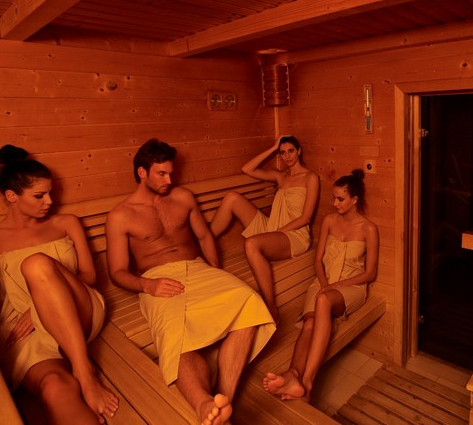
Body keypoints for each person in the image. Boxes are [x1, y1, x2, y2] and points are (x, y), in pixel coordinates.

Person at [105, 138, 276, 425]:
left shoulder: (183, 198)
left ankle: (223, 400)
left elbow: (204, 237)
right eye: (161, 174)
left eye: (170, 173)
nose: (169, 180)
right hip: (157, 279)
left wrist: (216, 271)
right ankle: (202, 404)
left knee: (248, 301)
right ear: (142, 173)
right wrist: (149, 286)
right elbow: (117, 272)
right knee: (176, 335)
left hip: (198, 269)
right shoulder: (121, 216)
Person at [0, 145, 118, 424]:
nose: (49, 201)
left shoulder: (66, 223)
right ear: (12, 196)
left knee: (36, 263)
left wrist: (40, 306)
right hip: (25, 328)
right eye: (39, 195)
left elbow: (89, 276)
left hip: (83, 310)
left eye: (50, 193)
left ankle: (85, 373)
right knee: (53, 385)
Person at [262, 169, 379, 402]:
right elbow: (318, 260)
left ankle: (307, 382)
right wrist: (325, 284)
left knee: (323, 300)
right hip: (323, 282)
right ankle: (293, 375)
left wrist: (335, 286)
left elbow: (370, 273)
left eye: (340, 199)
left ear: (354, 200)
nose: (334, 203)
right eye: (334, 198)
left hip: (351, 287)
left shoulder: (368, 229)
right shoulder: (329, 221)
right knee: (309, 323)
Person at [209, 135, 319, 324]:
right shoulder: (280, 176)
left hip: (294, 235)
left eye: (291, 151)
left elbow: (306, 218)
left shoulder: (311, 178)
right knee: (232, 198)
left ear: (299, 151)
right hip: (272, 227)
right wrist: (273, 148)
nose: (287, 156)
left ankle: (271, 306)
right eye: (282, 153)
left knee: (251, 244)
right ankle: (204, 243)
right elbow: (247, 169)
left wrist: (277, 231)